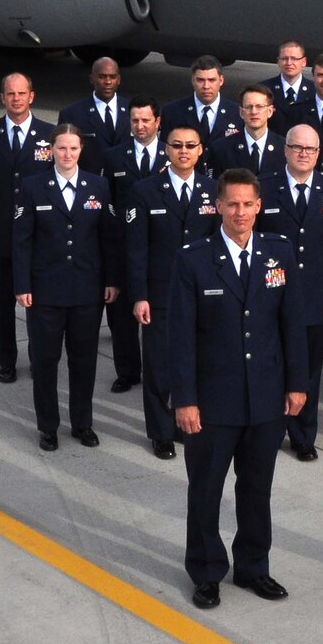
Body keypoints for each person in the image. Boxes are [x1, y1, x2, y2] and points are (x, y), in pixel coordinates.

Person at [165, 169, 309, 610]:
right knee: (205, 490)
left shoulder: (278, 253)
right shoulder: (193, 259)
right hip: (212, 402)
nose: (241, 212)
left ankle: (253, 567)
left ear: (258, 206)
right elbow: (180, 337)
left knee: (256, 489)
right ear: (218, 206)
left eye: (248, 204)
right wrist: (185, 399)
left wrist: (298, 384)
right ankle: (207, 571)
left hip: (266, 397)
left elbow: (292, 324)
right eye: (232, 204)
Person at [13, 125, 121, 450]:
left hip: (87, 291)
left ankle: (82, 424)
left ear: (81, 150)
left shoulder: (98, 186)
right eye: (61, 148)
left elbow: (109, 239)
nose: (68, 154)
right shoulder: (33, 187)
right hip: (45, 292)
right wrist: (22, 285)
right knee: (45, 361)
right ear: (51, 150)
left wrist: (112, 280)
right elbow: (21, 241)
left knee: (84, 360)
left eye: (73, 149)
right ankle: (48, 426)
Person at [254, 123, 323, 460]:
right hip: (271, 294)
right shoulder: (265, 187)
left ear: (318, 153)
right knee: (271, 365)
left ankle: (302, 436)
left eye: (310, 149)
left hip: (315, 296)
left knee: (309, 370)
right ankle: (269, 430)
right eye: (297, 147)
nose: (303, 154)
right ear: (285, 149)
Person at [124, 122, 220, 458]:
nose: (183, 151)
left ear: (200, 150)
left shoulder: (212, 189)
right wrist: (139, 295)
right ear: (166, 149)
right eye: (176, 145)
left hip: (204, 295)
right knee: (159, 367)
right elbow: (136, 249)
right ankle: (160, 431)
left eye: (190, 146)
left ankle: (186, 424)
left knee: (199, 363)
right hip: (160, 295)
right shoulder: (145, 190)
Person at [0, 73, 55, 384]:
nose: (16, 99)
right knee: (3, 304)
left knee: (38, 305)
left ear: (32, 96)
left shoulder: (50, 134)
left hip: (39, 236)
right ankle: (6, 361)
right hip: (2, 234)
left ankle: (39, 359)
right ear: (2, 98)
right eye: (10, 94)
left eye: (21, 93)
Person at [101, 97, 165, 392]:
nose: (140, 126)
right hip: (124, 247)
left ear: (157, 122)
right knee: (122, 318)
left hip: (162, 247)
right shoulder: (114, 157)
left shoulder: (171, 154)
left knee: (158, 317)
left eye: (145, 120)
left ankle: (157, 370)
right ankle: (127, 371)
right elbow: (108, 202)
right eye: (135, 121)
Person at [57, 55, 129, 162]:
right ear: (91, 79)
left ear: (118, 80)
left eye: (112, 77)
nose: (108, 82)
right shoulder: (72, 115)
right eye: (102, 77)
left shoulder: (132, 110)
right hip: (89, 177)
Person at [162, 56, 242, 147]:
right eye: (200, 80)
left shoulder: (237, 113)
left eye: (212, 80)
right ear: (192, 80)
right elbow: (166, 150)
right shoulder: (172, 112)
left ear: (221, 80)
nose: (206, 86)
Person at [211, 84, 285, 177]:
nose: (254, 112)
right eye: (249, 107)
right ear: (241, 112)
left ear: (270, 111)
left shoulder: (284, 148)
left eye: (259, 107)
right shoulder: (221, 149)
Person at [261, 40, 314, 133]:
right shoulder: (263, 90)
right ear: (278, 61)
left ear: (304, 62)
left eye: (294, 58)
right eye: (284, 58)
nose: (289, 63)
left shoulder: (315, 91)